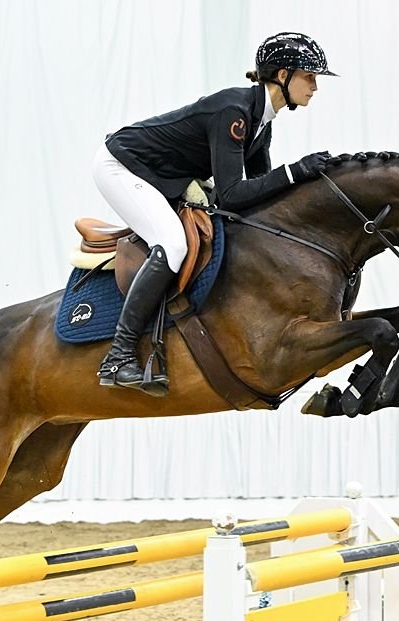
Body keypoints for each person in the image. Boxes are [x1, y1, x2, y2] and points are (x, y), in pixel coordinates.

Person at [92, 32, 337, 394]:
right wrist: (295, 170)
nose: (315, 87)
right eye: (310, 76)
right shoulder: (234, 112)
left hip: (162, 172)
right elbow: (233, 194)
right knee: (173, 244)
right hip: (122, 165)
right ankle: (119, 355)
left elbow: (258, 195)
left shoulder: (259, 123)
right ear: (282, 76)